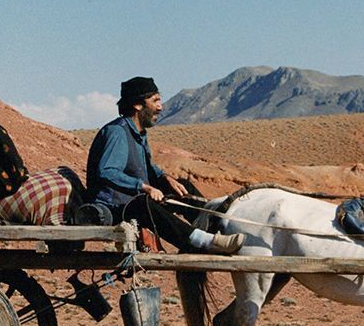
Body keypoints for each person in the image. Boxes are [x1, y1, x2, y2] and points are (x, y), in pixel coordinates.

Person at [86, 76, 245, 255]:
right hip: (113, 207)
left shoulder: (139, 134)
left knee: (182, 186)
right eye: (155, 101)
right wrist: (143, 186)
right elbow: (107, 171)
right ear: (138, 105)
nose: (160, 107)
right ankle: (202, 242)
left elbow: (146, 167)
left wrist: (164, 177)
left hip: (132, 200)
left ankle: (214, 230)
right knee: (144, 204)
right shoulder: (117, 132)